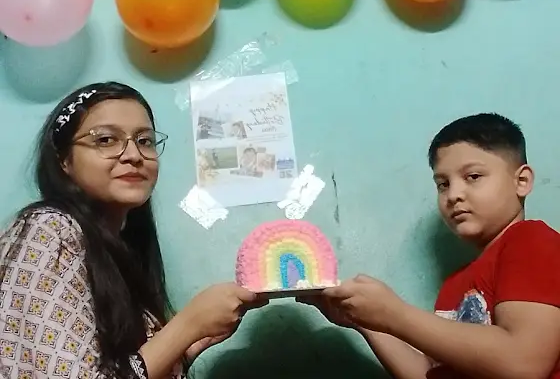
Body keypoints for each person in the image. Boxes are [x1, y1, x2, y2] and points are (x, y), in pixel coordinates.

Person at [0, 81, 264, 379]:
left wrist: (189, 344)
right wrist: (187, 325)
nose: (133, 155)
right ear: (64, 160)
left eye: (145, 141)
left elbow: (119, 368)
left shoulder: (116, 249)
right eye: (106, 140)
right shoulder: (49, 229)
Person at [303, 113, 560, 379]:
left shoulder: (531, 240)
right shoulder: (455, 284)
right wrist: (367, 322)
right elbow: (428, 373)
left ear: (521, 181)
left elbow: (523, 362)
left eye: (473, 176)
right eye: (443, 184)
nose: (453, 195)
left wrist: (395, 314)